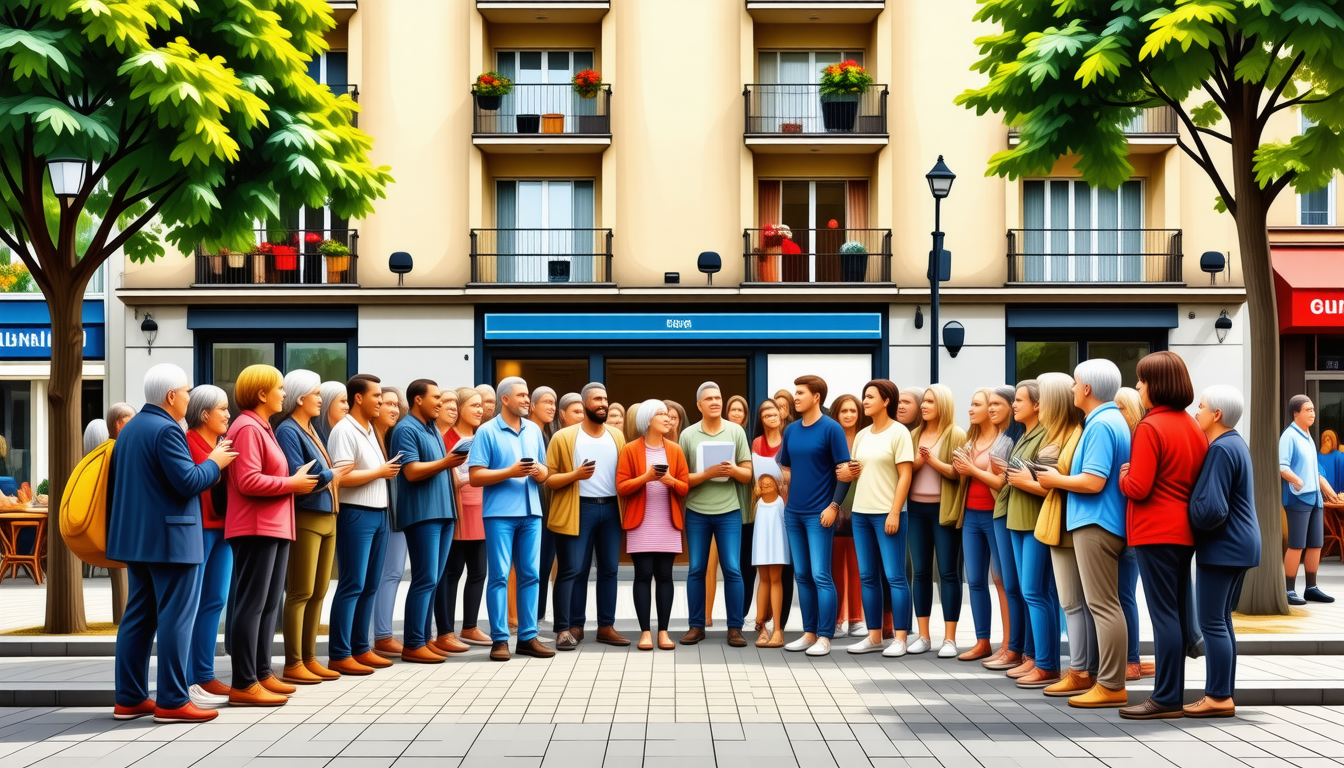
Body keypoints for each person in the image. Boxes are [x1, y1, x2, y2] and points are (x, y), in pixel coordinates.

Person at [108, 364, 236, 724]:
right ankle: (173, 702)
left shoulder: (131, 429)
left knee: (138, 618)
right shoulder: (167, 430)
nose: (189, 396)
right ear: (171, 396)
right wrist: (215, 462)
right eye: (186, 391)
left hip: (138, 541)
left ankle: (130, 698)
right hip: (173, 541)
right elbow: (188, 481)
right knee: (176, 619)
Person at [1118, 351, 1208, 720]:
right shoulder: (1191, 426)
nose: (1138, 386)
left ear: (1155, 385)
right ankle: (1171, 693)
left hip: (1155, 530)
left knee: (1164, 615)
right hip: (1183, 530)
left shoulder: (1150, 427)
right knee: (1174, 611)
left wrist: (1124, 474)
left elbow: (1138, 487)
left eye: (1141, 380)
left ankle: (1167, 696)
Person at [1037, 361, 1133, 707]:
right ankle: (1097, 677)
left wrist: (1054, 480)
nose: (1073, 389)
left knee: (1103, 605)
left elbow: (1093, 481)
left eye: (1076, 383)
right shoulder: (1108, 421)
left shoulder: (1101, 425)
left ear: (1088, 388)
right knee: (1101, 605)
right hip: (1100, 522)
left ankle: (1110, 684)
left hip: (1097, 523)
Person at [224, 364, 320, 707]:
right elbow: (248, 481)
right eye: (279, 387)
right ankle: (244, 682)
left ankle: (262, 673)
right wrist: (292, 483)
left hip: (274, 527)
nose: (284, 392)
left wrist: (292, 480)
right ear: (262, 393)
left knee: (267, 606)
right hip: (256, 528)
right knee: (252, 605)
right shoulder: (248, 427)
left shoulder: (261, 427)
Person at [1184, 385, 1260, 718]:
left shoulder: (1220, 449)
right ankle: (1222, 695)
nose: (1195, 412)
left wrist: (1184, 509)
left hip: (1224, 546)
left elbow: (1211, 510)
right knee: (1222, 621)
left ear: (1216, 414)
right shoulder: (1235, 444)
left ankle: (1217, 696)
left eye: (1200, 407)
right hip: (1240, 544)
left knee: (1212, 622)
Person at [468, 377, 556, 661]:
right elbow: (475, 475)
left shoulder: (533, 430)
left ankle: (528, 637)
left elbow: (544, 470)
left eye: (528, 395)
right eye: (521, 395)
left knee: (531, 575)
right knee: (499, 576)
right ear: (504, 399)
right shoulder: (486, 431)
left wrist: (540, 473)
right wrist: (510, 471)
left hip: (532, 513)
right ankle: (500, 640)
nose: (526, 400)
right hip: (500, 515)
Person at [274, 371, 351, 686]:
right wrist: (332, 475)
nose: (321, 399)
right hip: (308, 516)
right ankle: (294, 662)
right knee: (301, 591)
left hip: (328, 515)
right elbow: (298, 475)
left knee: (319, 591)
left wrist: (330, 475)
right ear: (300, 396)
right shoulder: (289, 430)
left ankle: (308, 658)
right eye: (316, 393)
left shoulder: (310, 430)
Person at [326, 374, 401, 676]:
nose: (381, 402)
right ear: (359, 398)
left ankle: (360, 648)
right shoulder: (345, 430)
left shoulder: (370, 430)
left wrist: (379, 472)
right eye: (377, 397)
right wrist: (380, 472)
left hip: (379, 513)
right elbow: (340, 477)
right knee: (352, 584)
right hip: (356, 513)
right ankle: (339, 653)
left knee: (370, 584)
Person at [546, 382, 629, 650]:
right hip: (578, 509)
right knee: (572, 570)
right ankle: (567, 628)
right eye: (597, 399)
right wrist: (575, 476)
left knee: (609, 570)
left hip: (611, 510)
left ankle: (606, 626)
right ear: (584, 405)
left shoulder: (617, 436)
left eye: (605, 399)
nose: (603, 403)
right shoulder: (564, 437)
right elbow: (550, 479)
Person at [1031, 373, 1098, 699]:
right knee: (1073, 602)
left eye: (1042, 397)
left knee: (1074, 603)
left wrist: (1046, 479)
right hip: (1061, 523)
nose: (1037, 404)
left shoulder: (1073, 435)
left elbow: (1073, 480)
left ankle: (1080, 670)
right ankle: (1080, 668)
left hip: (1067, 524)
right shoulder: (1062, 434)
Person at [390, 379, 463, 663]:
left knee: (433, 580)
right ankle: (413, 643)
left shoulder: (431, 428)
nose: (441, 404)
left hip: (443, 513)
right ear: (418, 400)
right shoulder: (405, 429)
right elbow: (411, 471)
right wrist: (447, 462)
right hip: (423, 515)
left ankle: (423, 638)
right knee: (425, 578)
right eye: (436, 398)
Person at [779, 375, 851, 657]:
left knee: (821, 574)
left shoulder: (831, 429)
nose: (795, 398)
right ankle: (809, 633)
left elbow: (844, 473)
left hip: (820, 514)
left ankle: (824, 636)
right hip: (793, 513)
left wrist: (833, 506)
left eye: (800, 393)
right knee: (802, 575)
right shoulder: (792, 431)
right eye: (795, 393)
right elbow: (786, 468)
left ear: (816, 397)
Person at [679, 382, 753, 647]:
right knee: (696, 569)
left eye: (718, 397)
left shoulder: (735, 431)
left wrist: (731, 470)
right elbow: (681, 479)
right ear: (699, 405)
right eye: (708, 398)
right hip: (697, 512)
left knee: (733, 569)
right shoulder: (688, 435)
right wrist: (708, 474)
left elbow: (747, 474)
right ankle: (696, 626)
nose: (715, 402)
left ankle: (735, 628)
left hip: (729, 511)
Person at [843, 379, 914, 657]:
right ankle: (874, 637)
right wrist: (849, 471)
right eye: (865, 396)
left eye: (870, 396)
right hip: (861, 513)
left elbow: (905, 475)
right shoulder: (861, 435)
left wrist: (895, 511)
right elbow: (857, 470)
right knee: (867, 576)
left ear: (886, 401)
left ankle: (900, 638)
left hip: (888, 513)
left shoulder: (899, 433)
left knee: (895, 576)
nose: (865, 400)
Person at [618, 399, 690, 651]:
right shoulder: (629, 450)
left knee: (665, 577)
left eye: (668, 415)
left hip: (667, 523)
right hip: (640, 523)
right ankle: (645, 633)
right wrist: (646, 477)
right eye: (661, 414)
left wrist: (669, 480)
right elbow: (622, 487)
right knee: (642, 576)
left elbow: (684, 488)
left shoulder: (675, 450)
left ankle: (664, 632)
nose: (668, 418)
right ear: (648, 419)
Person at [1003, 379, 1060, 687]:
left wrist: (1025, 482)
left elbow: (1049, 485)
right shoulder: (1025, 435)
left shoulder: (1046, 436)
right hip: (1017, 521)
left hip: (1035, 523)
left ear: (1038, 405)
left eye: (1020, 400)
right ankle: (1033, 657)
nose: (1014, 404)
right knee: (1031, 594)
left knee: (1037, 593)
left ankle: (1047, 663)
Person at [183, 385, 233, 709]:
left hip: (224, 529)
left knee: (216, 601)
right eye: (223, 409)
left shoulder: (220, 444)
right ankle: (188, 679)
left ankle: (205, 672)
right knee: (193, 603)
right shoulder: (188, 442)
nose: (228, 414)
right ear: (204, 414)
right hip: (200, 529)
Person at [949, 388, 1009, 663]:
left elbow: (1002, 482)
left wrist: (971, 470)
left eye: (976, 405)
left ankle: (1009, 644)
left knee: (1001, 580)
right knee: (974, 580)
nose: (970, 409)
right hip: (970, 515)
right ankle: (982, 641)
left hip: (995, 515)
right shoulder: (970, 439)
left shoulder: (1004, 441)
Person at [908, 384, 965, 658]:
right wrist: (919, 462)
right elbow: (905, 471)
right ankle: (923, 636)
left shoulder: (956, 434)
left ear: (942, 404)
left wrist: (932, 462)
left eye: (930, 401)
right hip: (916, 509)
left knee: (947, 573)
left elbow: (958, 473)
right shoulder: (913, 434)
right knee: (920, 572)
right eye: (924, 401)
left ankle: (950, 639)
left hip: (944, 511)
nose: (924, 405)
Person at [434, 387, 491, 652]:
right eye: (473, 405)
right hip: (457, 509)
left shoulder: (484, 436)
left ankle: (470, 626)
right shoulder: (447, 438)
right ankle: (445, 631)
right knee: (451, 572)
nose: (479, 410)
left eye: (481, 405)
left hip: (482, 508)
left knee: (479, 571)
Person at [983, 385, 1031, 673]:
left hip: (1009, 510)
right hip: (1000, 511)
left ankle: (1019, 649)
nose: (992, 409)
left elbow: (1004, 479)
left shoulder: (1016, 436)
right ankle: (1012, 647)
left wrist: (975, 471)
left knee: (1017, 586)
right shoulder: (1005, 435)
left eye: (997, 404)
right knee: (1007, 583)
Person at [1281, 395, 1338, 605]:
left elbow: (1317, 470)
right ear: (1296, 413)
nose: (1312, 413)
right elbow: (1282, 466)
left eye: (1313, 409)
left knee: (1316, 544)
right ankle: (1288, 590)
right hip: (1297, 499)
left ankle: (1311, 588)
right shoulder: (1289, 436)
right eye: (1308, 410)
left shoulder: (1308, 437)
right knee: (1296, 545)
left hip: (1315, 499)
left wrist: (1330, 492)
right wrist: (1297, 480)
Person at [1114, 386, 1153, 681]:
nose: (1116, 412)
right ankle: (1129, 657)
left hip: (1132, 531)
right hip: (1119, 527)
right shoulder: (1122, 438)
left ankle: (1132, 659)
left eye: (1121, 407)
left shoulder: (1140, 439)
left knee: (1125, 594)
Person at [750, 399, 794, 634]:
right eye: (764, 411)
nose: (770, 414)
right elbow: (755, 476)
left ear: (782, 414)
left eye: (773, 410)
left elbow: (795, 472)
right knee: (764, 570)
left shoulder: (790, 440)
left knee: (784, 570)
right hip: (766, 510)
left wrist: (784, 478)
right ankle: (762, 621)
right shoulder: (757, 442)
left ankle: (780, 623)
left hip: (787, 508)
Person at [372, 387, 410, 656]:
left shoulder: (390, 436)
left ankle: (382, 634)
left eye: (397, 404)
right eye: (387, 403)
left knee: (393, 572)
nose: (394, 409)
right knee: (384, 574)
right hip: (378, 511)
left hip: (395, 511)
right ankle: (381, 635)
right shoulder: (373, 436)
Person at [830, 393, 869, 637]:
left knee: (858, 565)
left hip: (861, 505)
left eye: (853, 410)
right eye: (844, 410)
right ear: (836, 413)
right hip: (834, 506)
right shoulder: (831, 437)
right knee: (834, 566)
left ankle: (856, 618)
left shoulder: (866, 437)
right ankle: (835, 619)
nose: (848, 415)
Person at [528, 386, 559, 630]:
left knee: (545, 562)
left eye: (554, 403)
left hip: (547, 504)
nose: (551, 407)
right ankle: (525, 616)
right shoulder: (527, 433)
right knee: (531, 564)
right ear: (532, 405)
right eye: (546, 402)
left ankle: (537, 615)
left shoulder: (549, 435)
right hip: (528, 502)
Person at [752, 467, 790, 647]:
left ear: (778, 484)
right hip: (761, 546)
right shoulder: (758, 504)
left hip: (777, 546)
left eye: (769, 480)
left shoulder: (781, 503)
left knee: (775, 580)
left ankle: (777, 629)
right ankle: (761, 626)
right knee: (763, 580)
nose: (765, 482)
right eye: (762, 480)